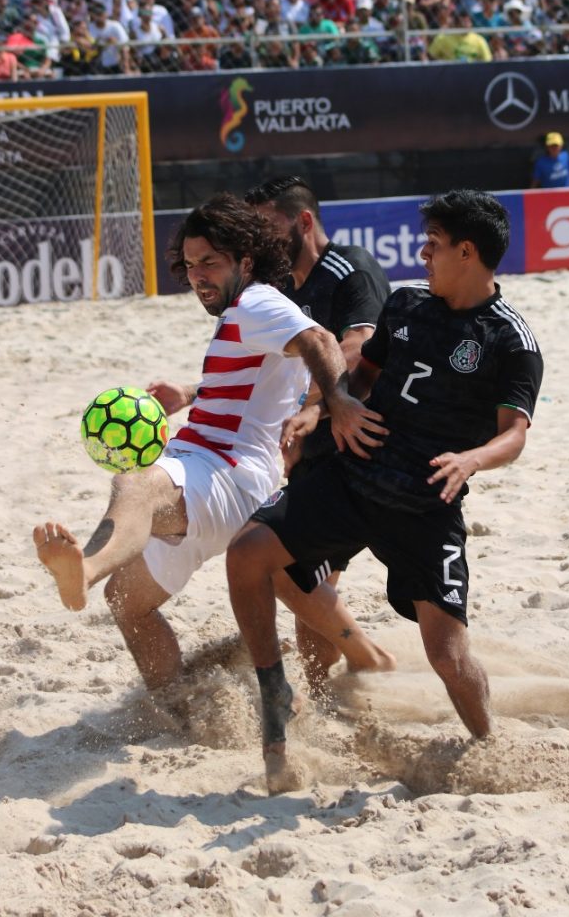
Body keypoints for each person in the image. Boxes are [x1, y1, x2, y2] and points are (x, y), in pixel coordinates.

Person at [226, 189, 544, 790]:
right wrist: (328, 406)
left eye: (434, 244)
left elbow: (516, 434)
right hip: (353, 476)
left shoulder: (510, 340)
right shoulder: (404, 305)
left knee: (449, 658)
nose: (422, 253)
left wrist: (472, 459)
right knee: (250, 554)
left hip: (426, 504)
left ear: (468, 252)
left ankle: (488, 745)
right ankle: (301, 712)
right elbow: (362, 377)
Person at [34, 193, 386, 696]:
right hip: (210, 473)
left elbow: (324, 343)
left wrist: (338, 402)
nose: (199, 275)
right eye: (191, 264)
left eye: (211, 263)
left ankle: (83, 569)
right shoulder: (243, 314)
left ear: (244, 261)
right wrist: (190, 392)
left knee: (136, 482)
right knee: (128, 601)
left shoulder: (256, 302)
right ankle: (178, 706)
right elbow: (261, 380)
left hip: (226, 472)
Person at [244, 176, 393, 689]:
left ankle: (370, 663)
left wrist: (313, 407)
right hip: (317, 450)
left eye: (268, 225)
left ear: (303, 221)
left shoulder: (352, 269)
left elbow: (356, 348)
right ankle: (342, 685)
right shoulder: (281, 287)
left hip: (365, 450)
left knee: (293, 568)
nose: (260, 238)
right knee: (305, 579)